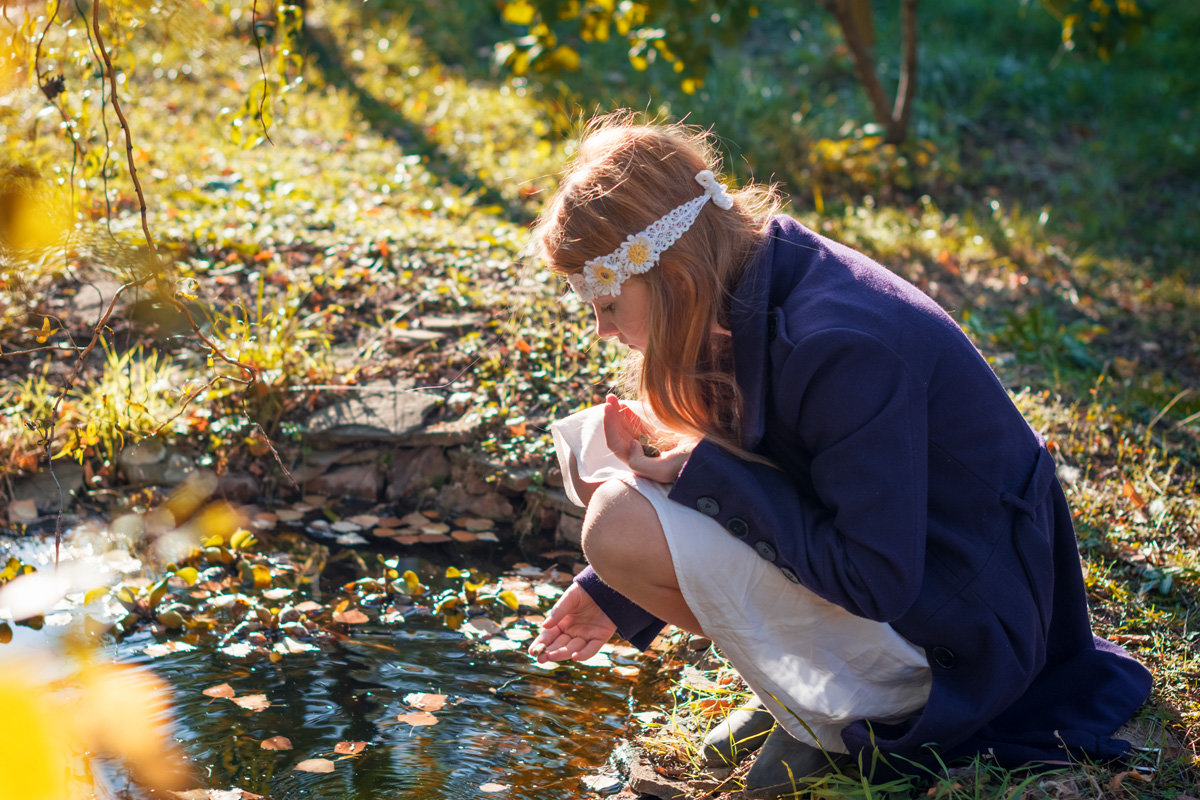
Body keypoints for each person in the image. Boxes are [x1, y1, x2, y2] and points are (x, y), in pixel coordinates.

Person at [526, 112, 1152, 794]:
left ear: (672, 276)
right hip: (920, 577)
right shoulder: (753, 275)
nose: (602, 327)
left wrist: (693, 474)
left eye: (609, 301)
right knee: (599, 447)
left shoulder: (841, 346)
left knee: (619, 523)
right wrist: (614, 594)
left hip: (964, 630)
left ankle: (849, 715)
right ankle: (804, 692)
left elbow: (875, 578)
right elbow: (781, 464)